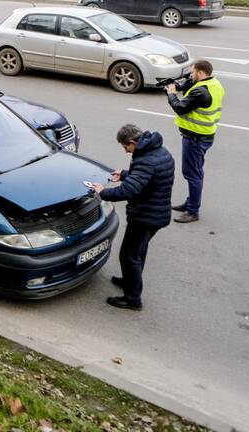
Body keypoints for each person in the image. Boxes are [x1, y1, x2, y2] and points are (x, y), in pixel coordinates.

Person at [92, 124, 173, 311]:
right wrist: (125, 175)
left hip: (146, 217)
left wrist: (102, 192)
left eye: (125, 147)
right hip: (156, 213)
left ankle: (132, 298)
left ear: (132, 142)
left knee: (128, 255)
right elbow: (148, 178)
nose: (126, 151)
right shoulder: (159, 151)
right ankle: (130, 281)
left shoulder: (146, 160)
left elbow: (130, 190)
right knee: (138, 251)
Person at [166, 59, 225, 223]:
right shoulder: (214, 83)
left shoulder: (201, 92)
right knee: (196, 172)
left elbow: (180, 108)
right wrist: (179, 85)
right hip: (205, 135)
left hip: (195, 138)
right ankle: (190, 202)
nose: (191, 75)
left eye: (193, 72)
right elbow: (191, 86)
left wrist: (171, 93)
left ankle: (192, 211)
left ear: (200, 73)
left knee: (192, 174)